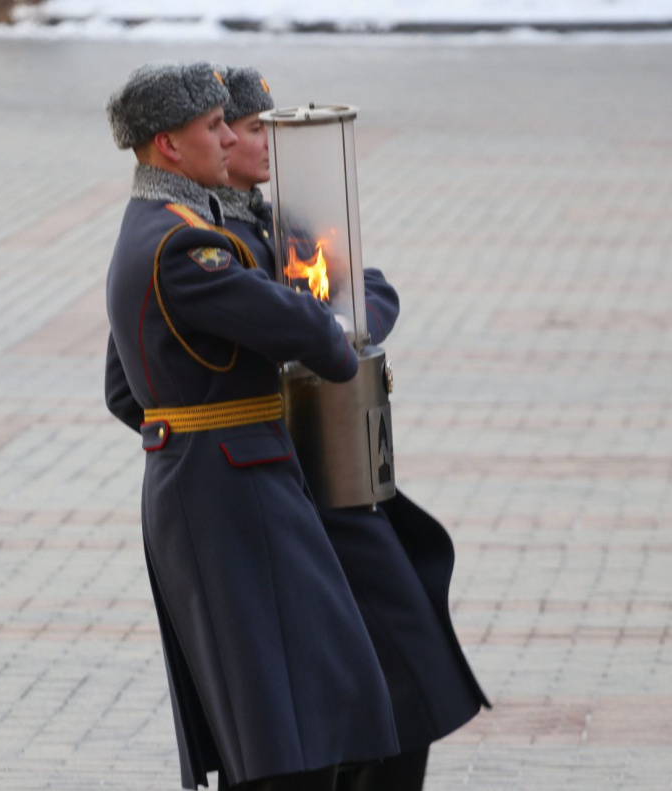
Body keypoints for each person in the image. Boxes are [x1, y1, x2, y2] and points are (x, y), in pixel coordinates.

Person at [102, 62, 401, 791]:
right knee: (275, 722)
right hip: (228, 489)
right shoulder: (184, 245)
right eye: (213, 127)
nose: (230, 138)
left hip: (225, 476)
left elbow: (122, 390)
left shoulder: (174, 228)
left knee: (289, 708)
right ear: (169, 147)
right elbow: (316, 335)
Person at [213, 66, 490, 791]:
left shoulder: (275, 222)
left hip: (338, 474)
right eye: (246, 129)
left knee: (409, 667)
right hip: (290, 484)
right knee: (365, 676)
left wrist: (339, 331)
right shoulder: (208, 242)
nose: (263, 141)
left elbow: (369, 288)